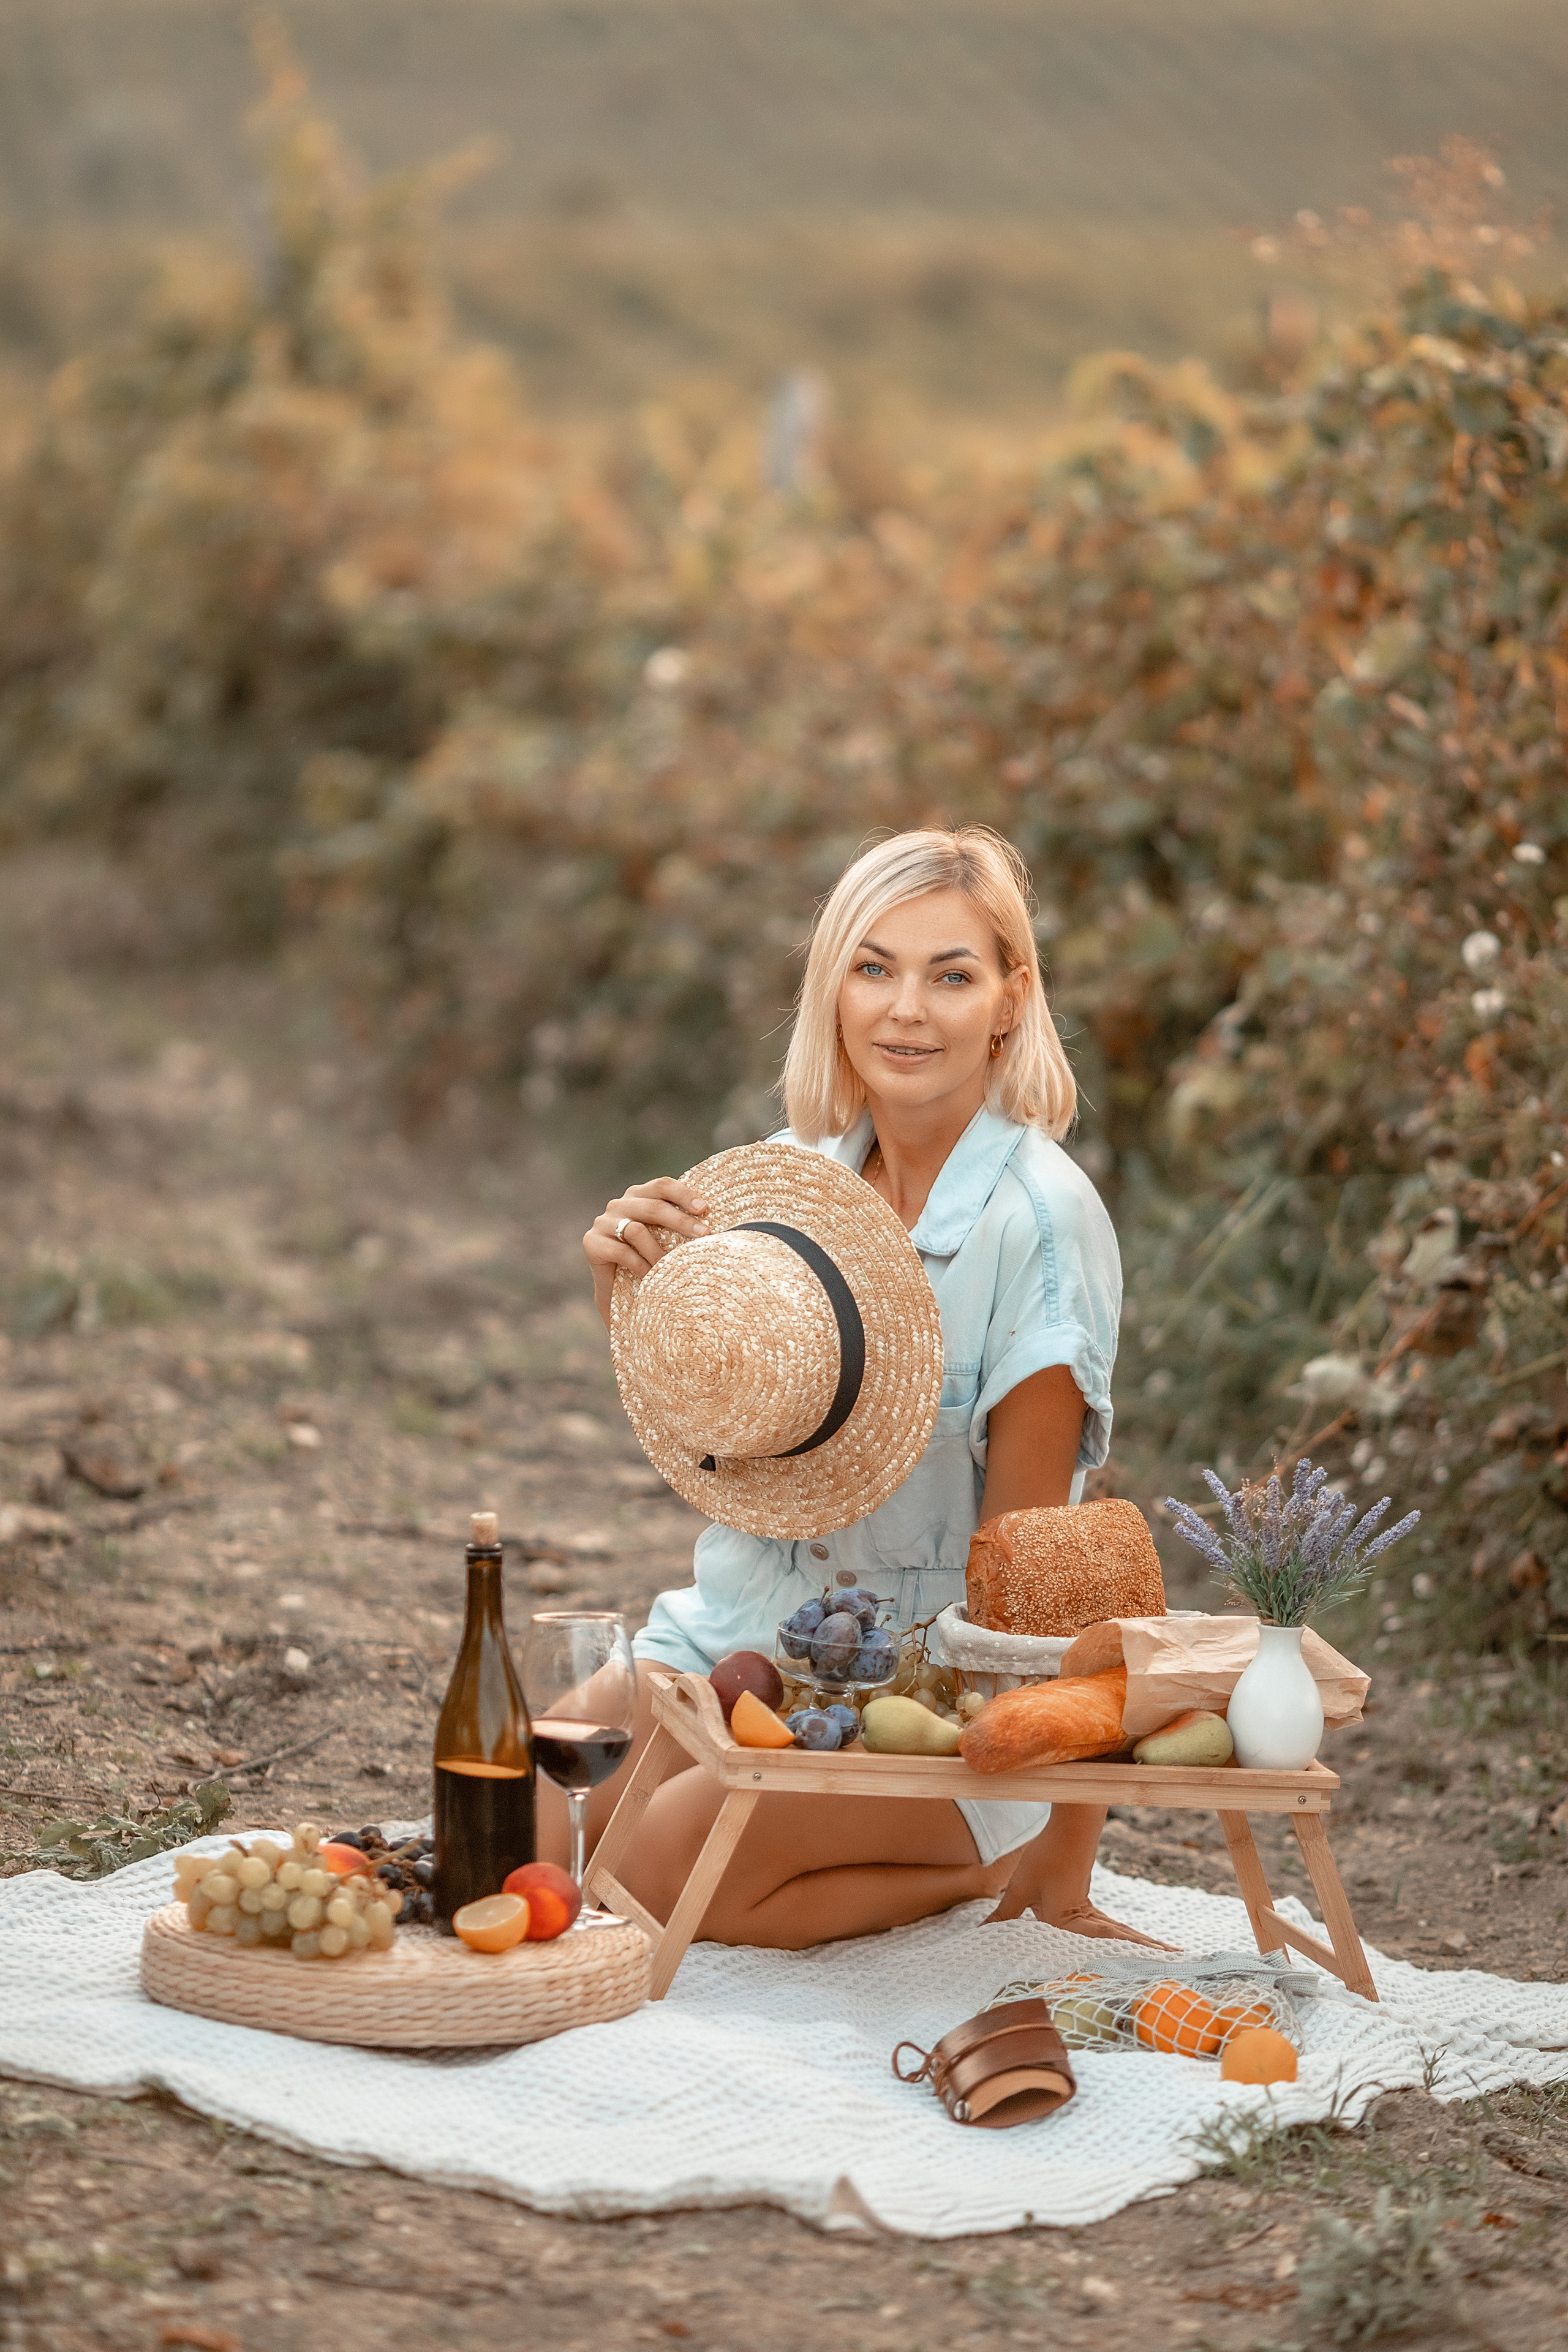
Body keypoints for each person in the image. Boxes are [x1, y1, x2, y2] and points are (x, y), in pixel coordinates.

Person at [551, 824, 1160, 1950]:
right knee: (535, 1823)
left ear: (1012, 999)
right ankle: (789, 1846)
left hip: (913, 1706)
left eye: (951, 975)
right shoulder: (791, 1182)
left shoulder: (1040, 1224)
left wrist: (1062, 1862)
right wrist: (630, 1304)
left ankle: (995, 1869)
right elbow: (721, 1449)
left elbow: (1047, 1575)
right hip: (736, 1641)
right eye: (874, 968)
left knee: (659, 1878)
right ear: (834, 992)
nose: (906, 1011)